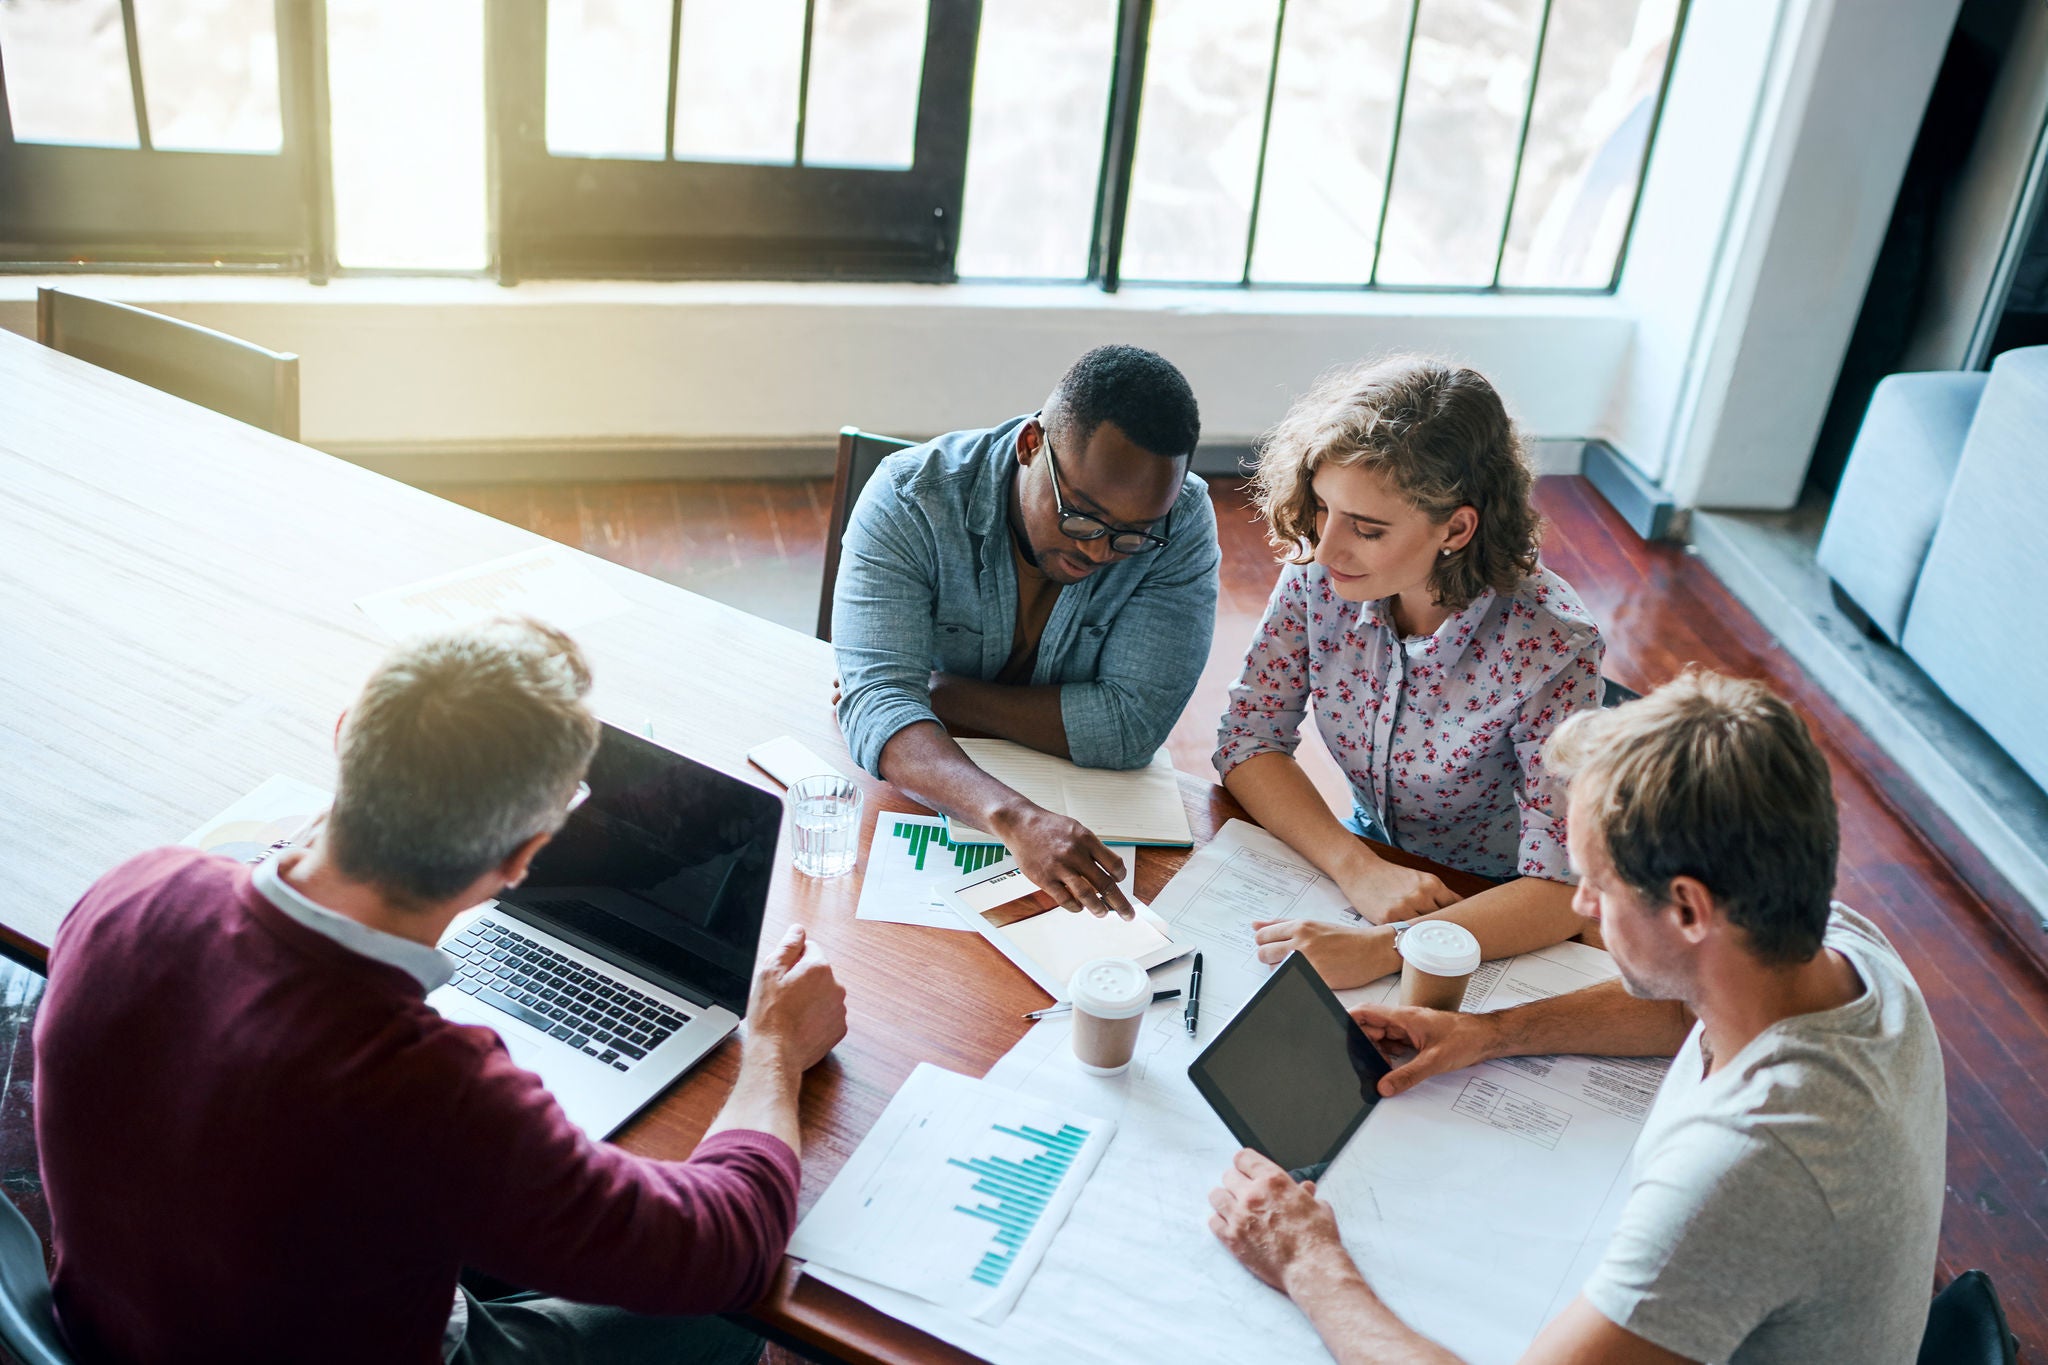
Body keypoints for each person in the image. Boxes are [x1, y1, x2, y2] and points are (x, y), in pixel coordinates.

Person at [34, 619, 849, 1365]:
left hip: (128, 1324)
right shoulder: (428, 1091)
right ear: (526, 855)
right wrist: (773, 1051)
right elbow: (724, 1244)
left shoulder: (134, 889)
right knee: (756, 1296)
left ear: (346, 736)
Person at [1207, 670, 1947, 1364]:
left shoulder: (1750, 1169)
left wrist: (1307, 1260)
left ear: (1688, 907)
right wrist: (1492, 1033)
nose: (1580, 906)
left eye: (1596, 884)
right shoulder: (1836, 944)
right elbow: (1679, 1012)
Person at [1215, 357, 1603, 987]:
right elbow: (1248, 740)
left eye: (1367, 529)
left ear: (1456, 528)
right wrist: (1356, 866)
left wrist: (1392, 947)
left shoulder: (1552, 645)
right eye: (1322, 507)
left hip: (1497, 901)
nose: (1327, 545)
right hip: (1372, 859)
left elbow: (1559, 885)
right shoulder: (1319, 574)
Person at [833, 343, 1219, 920]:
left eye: (1132, 535)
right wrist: (1015, 817)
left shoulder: (1180, 522)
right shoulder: (910, 498)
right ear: (1031, 444)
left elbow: (1131, 726)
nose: (1098, 550)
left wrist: (936, 695)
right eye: (1081, 514)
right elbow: (879, 710)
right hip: (914, 810)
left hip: (1041, 797)